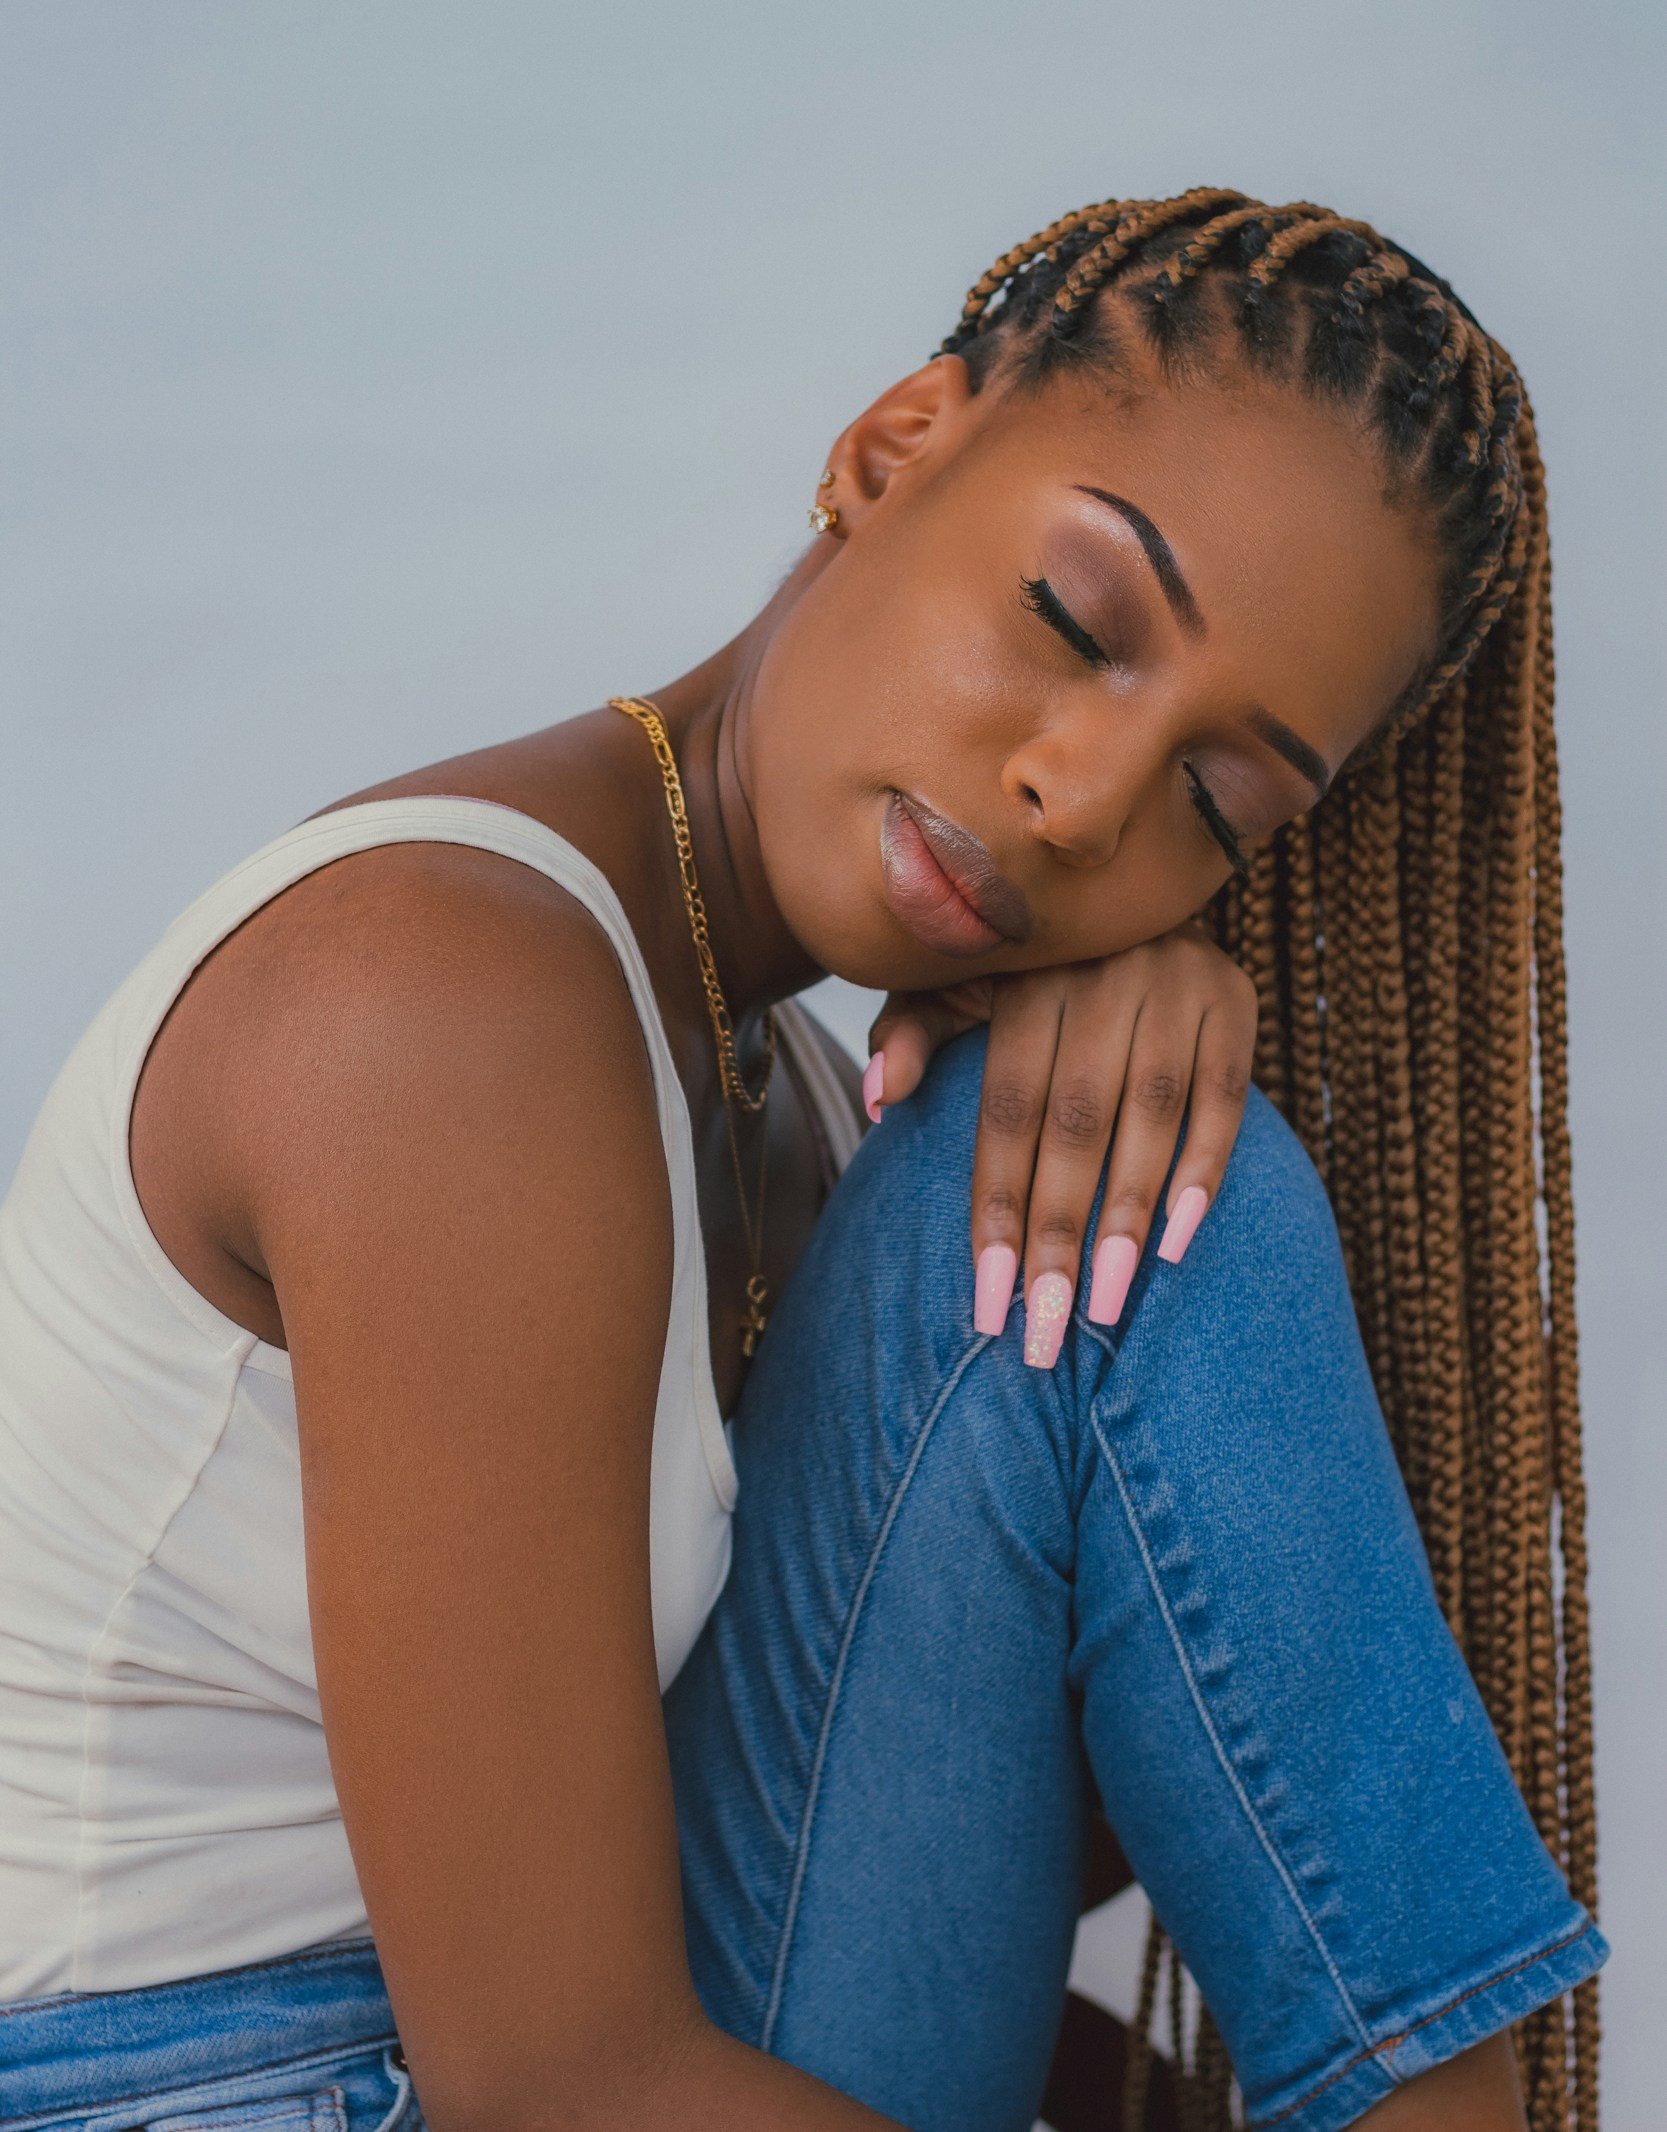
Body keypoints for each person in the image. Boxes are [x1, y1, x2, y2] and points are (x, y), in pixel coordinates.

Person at [0, 188, 1603, 2132]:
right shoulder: (449, 1001)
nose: (1080, 798)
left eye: (1211, 799)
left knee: (1139, 1190)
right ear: (893, 446)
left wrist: (1113, 1040)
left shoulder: (813, 1108)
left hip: (455, 2067)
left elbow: (974, 1814)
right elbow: (558, 2085)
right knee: (1154, 1209)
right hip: (215, 2088)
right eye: (1076, 619)